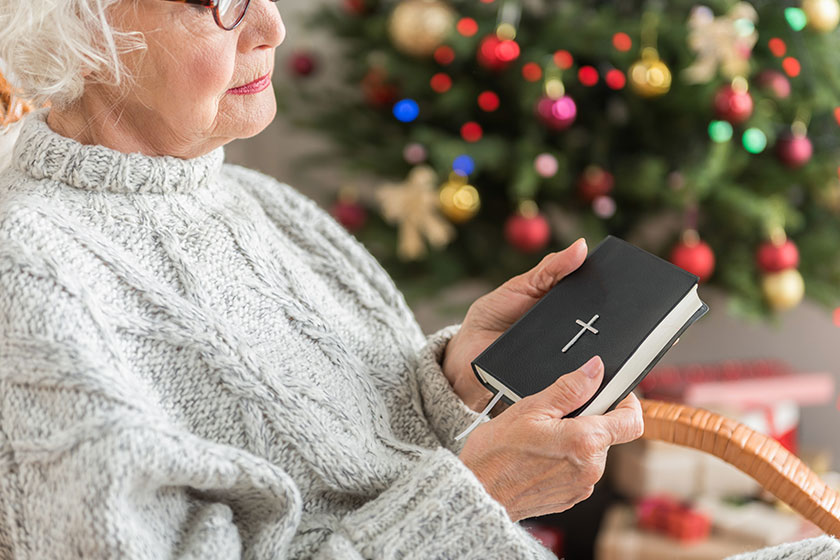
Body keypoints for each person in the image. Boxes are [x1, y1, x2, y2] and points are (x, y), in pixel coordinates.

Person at [0, 1, 835, 559]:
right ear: (81, 30)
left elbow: (354, 453)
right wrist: (476, 498)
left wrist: (453, 384)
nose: (273, 26)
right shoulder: (30, 273)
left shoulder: (258, 201)